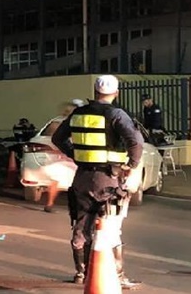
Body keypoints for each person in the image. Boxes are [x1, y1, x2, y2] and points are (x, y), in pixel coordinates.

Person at [52, 75, 144, 288]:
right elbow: (135, 142)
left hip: (82, 177)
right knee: (111, 226)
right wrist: (131, 165)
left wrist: (75, 154)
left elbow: (58, 138)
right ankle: (116, 275)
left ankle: (81, 273)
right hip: (107, 178)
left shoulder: (78, 113)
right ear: (116, 93)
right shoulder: (116, 114)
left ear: (94, 92)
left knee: (81, 224)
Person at [42, 99, 86, 213]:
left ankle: (50, 204)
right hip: (67, 156)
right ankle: (51, 203)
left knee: (57, 181)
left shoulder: (59, 122)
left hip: (63, 155)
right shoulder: (74, 121)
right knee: (77, 181)